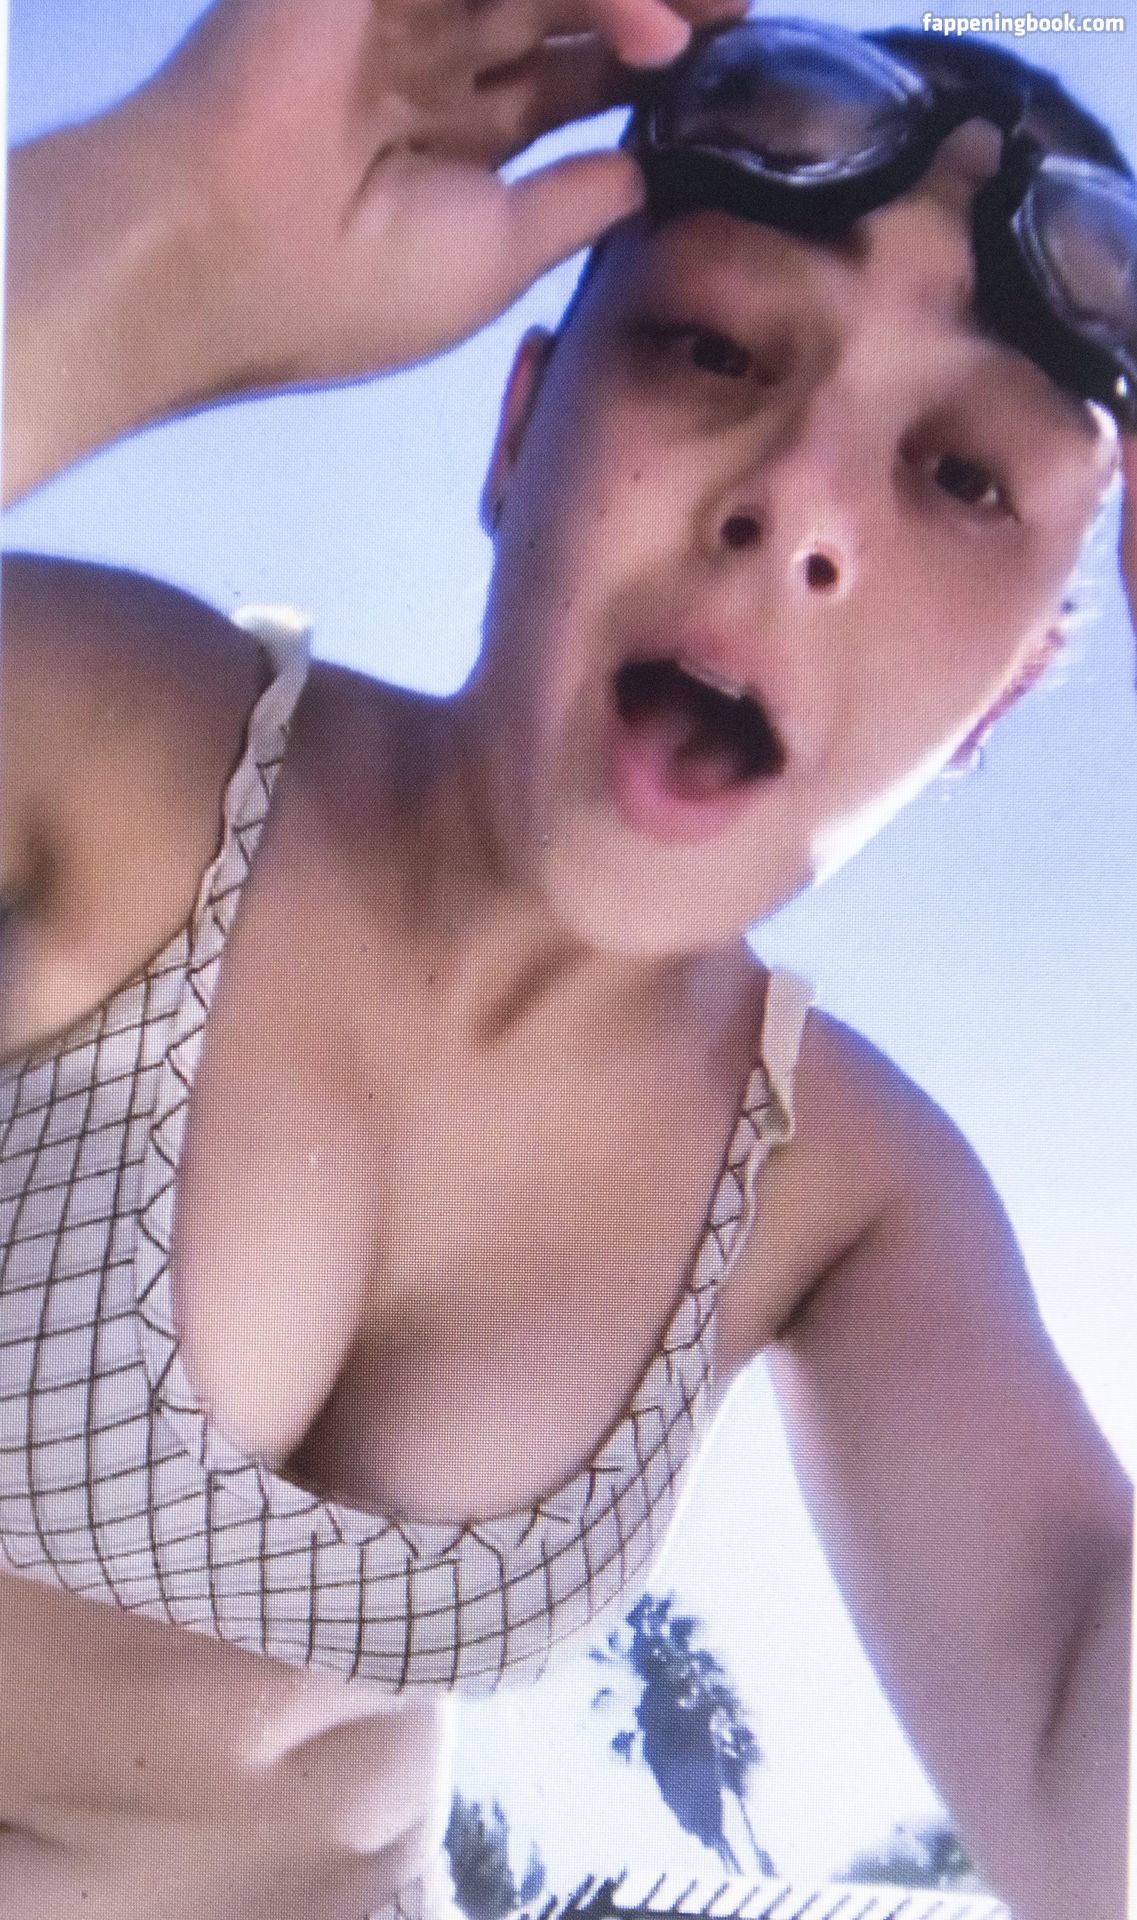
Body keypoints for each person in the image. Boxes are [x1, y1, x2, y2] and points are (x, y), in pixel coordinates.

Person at [0, 4, 1133, 1918]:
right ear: (521, 428)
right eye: (713, 348)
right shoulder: (112, 747)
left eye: (958, 478)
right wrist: (168, 236)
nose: (798, 511)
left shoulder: (841, 1195)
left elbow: (1088, 1819)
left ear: (1005, 697)